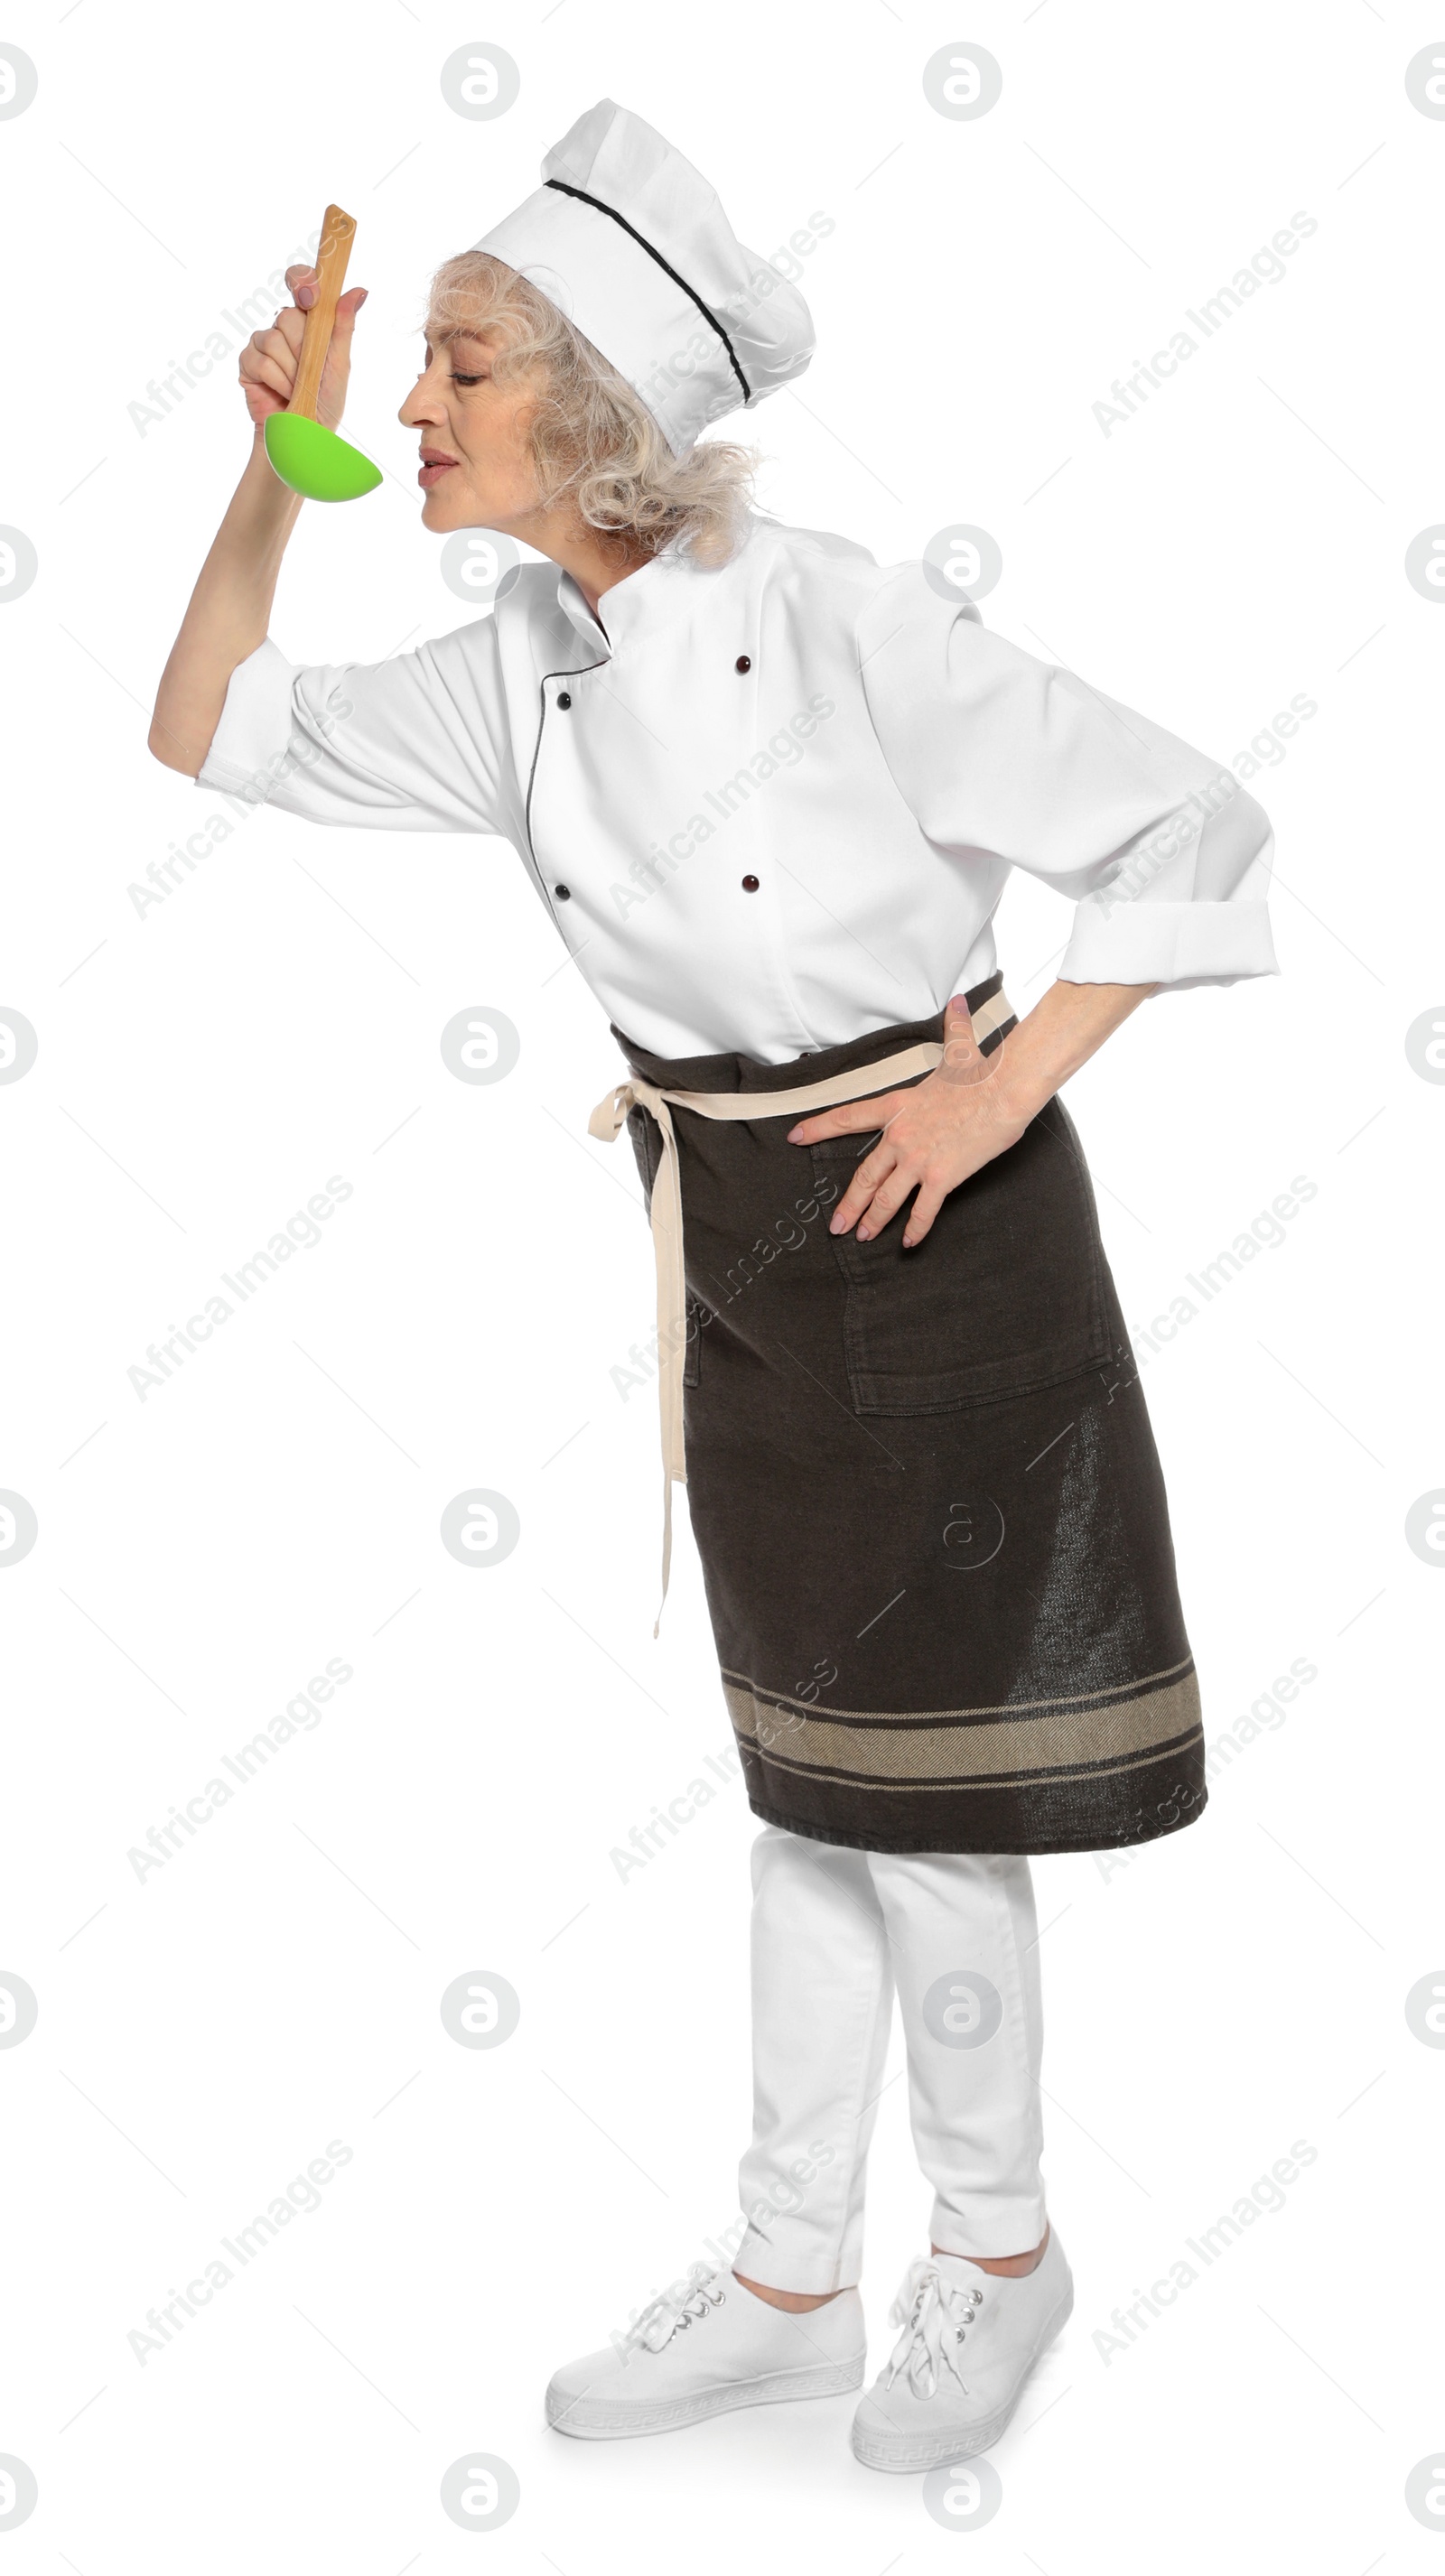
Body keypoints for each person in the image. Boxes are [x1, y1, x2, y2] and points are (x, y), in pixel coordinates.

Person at [149, 99, 1277, 2473]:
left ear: (597, 408)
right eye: (417, 375)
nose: (416, 406)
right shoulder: (511, 667)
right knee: (808, 1801)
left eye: (454, 365)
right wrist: (280, 461)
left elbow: (1194, 819)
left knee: (944, 1818)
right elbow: (208, 723)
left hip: (947, 1251)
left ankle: (992, 2255)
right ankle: (784, 2278)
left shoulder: (849, 618)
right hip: (741, 1270)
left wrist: (997, 1092)